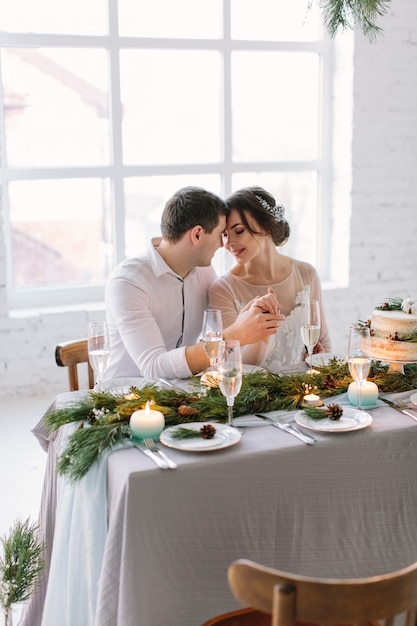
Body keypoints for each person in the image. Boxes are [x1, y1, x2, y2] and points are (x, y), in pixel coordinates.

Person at [104, 186, 283, 380]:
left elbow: (222, 345)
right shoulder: (128, 283)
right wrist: (234, 334)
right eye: (221, 234)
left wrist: (252, 316)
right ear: (197, 234)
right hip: (122, 400)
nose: (224, 244)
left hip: (182, 397)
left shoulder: (204, 271)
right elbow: (153, 368)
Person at [209, 186, 331, 371]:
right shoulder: (223, 289)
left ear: (266, 226)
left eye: (239, 231)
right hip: (254, 397)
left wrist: (320, 359)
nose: (228, 243)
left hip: (306, 393)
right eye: (225, 234)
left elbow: (324, 345)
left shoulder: (307, 274)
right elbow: (232, 366)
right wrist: (263, 333)